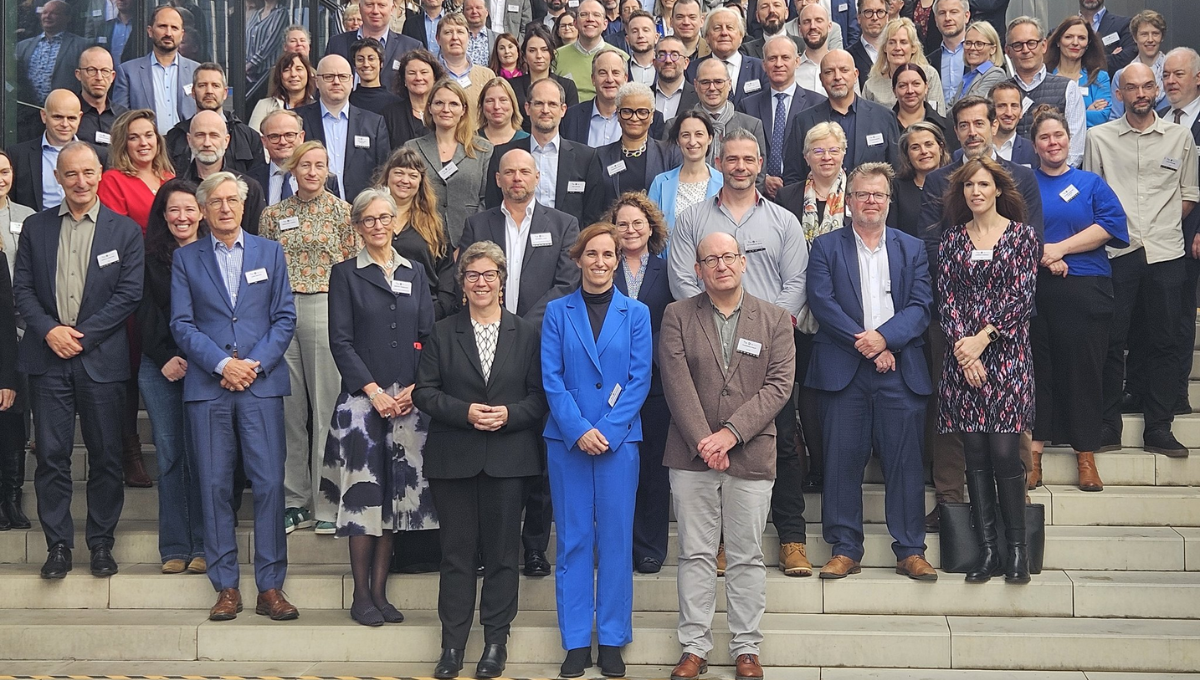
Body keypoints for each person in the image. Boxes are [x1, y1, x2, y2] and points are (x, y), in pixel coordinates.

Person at [668, 129, 811, 578]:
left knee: (781, 444)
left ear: (761, 163)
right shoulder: (692, 219)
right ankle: (723, 544)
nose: (741, 167)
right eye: (732, 159)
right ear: (718, 161)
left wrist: (770, 328)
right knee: (713, 442)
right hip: (707, 347)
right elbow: (683, 279)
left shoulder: (784, 221)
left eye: (749, 159)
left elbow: (796, 283)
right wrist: (710, 321)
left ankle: (791, 539)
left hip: (768, 349)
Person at [659, 231, 795, 680]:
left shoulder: (775, 319)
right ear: (697, 270)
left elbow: (778, 386)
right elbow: (675, 382)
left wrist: (731, 434)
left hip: (752, 454)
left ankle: (746, 648)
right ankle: (694, 646)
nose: (720, 265)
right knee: (696, 553)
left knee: (746, 555)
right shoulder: (677, 315)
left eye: (728, 256)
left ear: (743, 262)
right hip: (691, 454)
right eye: (710, 259)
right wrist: (705, 439)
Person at [414, 241, 548, 680]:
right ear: (463, 283)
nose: (482, 283)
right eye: (473, 276)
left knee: (504, 554)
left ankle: (495, 643)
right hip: (454, 457)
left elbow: (539, 398)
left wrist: (508, 415)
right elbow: (424, 392)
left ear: (502, 282)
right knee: (456, 556)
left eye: (490, 275)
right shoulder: (442, 330)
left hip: (509, 460)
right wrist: (465, 412)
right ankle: (451, 647)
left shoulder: (526, 333)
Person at [170, 171, 299, 621]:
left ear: (244, 206)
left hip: (261, 386)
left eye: (232, 200)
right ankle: (226, 586)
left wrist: (253, 365)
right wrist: (224, 365)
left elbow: (284, 318)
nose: (225, 208)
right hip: (209, 388)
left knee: (266, 485)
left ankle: (270, 587)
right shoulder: (186, 259)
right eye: (216, 202)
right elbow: (181, 324)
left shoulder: (271, 252)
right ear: (203, 210)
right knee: (214, 486)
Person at [13, 142, 144, 579]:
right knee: (51, 456)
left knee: (106, 456)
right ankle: (58, 547)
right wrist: (50, 330)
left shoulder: (123, 231)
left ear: (100, 174)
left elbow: (129, 294)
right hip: (47, 358)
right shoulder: (36, 227)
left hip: (100, 360)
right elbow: (23, 290)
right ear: (58, 178)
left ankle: (102, 544)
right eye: (71, 174)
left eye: (88, 173)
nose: (81, 182)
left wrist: (81, 338)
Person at [805, 161, 935, 581]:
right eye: (862, 194)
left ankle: (910, 550)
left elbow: (920, 306)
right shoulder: (825, 247)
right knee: (841, 460)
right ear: (849, 201)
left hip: (899, 368)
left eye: (879, 194)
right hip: (844, 369)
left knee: (904, 462)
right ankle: (845, 549)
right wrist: (868, 342)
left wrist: (885, 339)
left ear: (888, 201)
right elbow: (823, 303)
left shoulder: (911, 248)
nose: (871, 201)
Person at [917, 95, 1042, 527]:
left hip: (1007, 328)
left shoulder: (1022, 176)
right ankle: (951, 500)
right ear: (956, 131)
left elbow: (1031, 242)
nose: (972, 131)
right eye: (964, 125)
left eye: (979, 123)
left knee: (1011, 427)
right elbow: (933, 245)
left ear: (994, 125)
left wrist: (987, 331)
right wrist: (963, 339)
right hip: (954, 318)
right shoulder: (939, 180)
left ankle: (1016, 505)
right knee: (952, 417)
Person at [459, 148, 581, 578]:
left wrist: (519, 328)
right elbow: (469, 278)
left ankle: (533, 547)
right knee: (490, 448)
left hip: (540, 345)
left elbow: (566, 284)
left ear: (537, 176)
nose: (516, 178)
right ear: (497, 179)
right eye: (508, 172)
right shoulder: (478, 224)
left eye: (524, 171)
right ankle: (488, 546)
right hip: (483, 347)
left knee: (539, 451)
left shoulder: (562, 224)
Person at [541, 222, 652, 678]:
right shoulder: (556, 312)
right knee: (571, 542)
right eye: (592, 254)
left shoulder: (638, 312)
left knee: (615, 541)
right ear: (579, 258)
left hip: (618, 442)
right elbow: (551, 377)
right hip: (567, 442)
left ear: (619, 259)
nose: (601, 262)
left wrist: (605, 429)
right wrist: (578, 429)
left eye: (609, 255)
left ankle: (610, 639)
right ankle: (574, 642)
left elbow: (640, 376)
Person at [323, 187, 434, 624]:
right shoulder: (345, 274)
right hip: (362, 406)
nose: (377, 226)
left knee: (394, 501)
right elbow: (341, 341)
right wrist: (374, 391)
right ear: (357, 226)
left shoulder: (416, 271)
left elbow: (427, 334)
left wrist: (413, 388)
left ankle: (382, 593)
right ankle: (360, 595)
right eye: (368, 219)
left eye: (384, 218)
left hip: (407, 404)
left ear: (395, 222)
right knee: (362, 500)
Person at [1084, 62, 1199, 457]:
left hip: (1166, 252)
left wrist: (1159, 226)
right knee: (1112, 341)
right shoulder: (1098, 138)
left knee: (1164, 340)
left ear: (1157, 90)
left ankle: (1159, 427)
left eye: (1148, 85)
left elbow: (1188, 194)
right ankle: (1107, 425)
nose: (1141, 93)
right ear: (1119, 94)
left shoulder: (1179, 137)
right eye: (1131, 87)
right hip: (1117, 252)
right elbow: (1092, 198)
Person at [936, 156, 1037, 584]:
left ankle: (1017, 551)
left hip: (1008, 355)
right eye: (968, 186)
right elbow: (948, 301)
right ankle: (988, 551)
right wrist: (967, 351)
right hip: (964, 361)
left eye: (983, 184)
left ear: (998, 189)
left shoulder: (1022, 237)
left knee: (1002, 453)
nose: (975, 192)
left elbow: (1021, 299)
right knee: (974, 456)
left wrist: (983, 340)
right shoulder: (951, 241)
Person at [257, 141, 357, 535]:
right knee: (289, 411)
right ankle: (294, 500)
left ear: (328, 170)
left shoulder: (343, 213)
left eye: (320, 165)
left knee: (326, 407)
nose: (312, 172)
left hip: (325, 307)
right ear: (292, 169)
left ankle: (327, 501)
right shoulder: (272, 215)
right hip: (281, 312)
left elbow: (351, 268)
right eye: (305, 165)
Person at [1027, 106, 1127, 492]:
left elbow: (1113, 227)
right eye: (1044, 138)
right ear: (1034, 146)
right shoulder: (1024, 182)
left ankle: (1086, 456)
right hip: (1036, 288)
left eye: (1058, 136)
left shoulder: (1091, 184)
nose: (1053, 143)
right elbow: (1010, 230)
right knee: (1039, 369)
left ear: (1070, 140)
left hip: (1086, 286)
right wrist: (1045, 258)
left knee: (1084, 370)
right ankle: (1034, 455)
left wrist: (1060, 250)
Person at [138, 178, 209, 573]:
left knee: (204, 456)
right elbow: (143, 311)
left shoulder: (215, 253)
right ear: (163, 216)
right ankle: (175, 548)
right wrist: (166, 356)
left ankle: (203, 545)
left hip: (205, 366)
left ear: (201, 211)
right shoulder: (149, 256)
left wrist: (202, 357)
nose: (182, 217)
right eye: (173, 210)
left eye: (188, 209)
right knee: (169, 457)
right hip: (160, 366)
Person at [606, 193, 674, 573]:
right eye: (622, 224)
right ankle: (618, 546)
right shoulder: (603, 267)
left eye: (637, 223)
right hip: (610, 384)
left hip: (657, 381)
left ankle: (649, 548)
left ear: (651, 227)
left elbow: (677, 321)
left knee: (652, 468)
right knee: (616, 468)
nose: (630, 230)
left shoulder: (668, 270)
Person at [485, 78, 604, 228]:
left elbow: (593, 216)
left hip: (570, 247)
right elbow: (493, 208)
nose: (545, 110)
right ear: (527, 108)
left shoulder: (586, 158)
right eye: (539, 103)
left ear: (563, 110)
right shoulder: (503, 154)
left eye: (552, 104)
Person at [783, 50, 901, 185]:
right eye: (829, 72)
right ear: (821, 79)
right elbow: (793, 177)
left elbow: (895, 173)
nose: (837, 77)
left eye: (844, 70)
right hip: (818, 203)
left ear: (856, 75)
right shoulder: (803, 121)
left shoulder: (883, 117)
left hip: (870, 203)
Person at [406, 79, 494, 248]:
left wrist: (469, 240)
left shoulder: (483, 149)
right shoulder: (412, 148)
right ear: (430, 108)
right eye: (439, 103)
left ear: (463, 110)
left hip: (469, 241)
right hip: (422, 239)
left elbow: (486, 200)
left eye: (453, 104)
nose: (446, 110)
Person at [737, 35, 827, 200]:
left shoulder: (818, 105)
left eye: (785, 57)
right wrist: (763, 178)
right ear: (764, 65)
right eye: (772, 58)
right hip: (758, 195)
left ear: (797, 62)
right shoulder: (747, 106)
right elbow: (742, 150)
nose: (779, 64)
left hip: (804, 195)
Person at [295, 54, 392, 204]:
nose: (336, 82)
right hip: (310, 210)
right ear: (317, 82)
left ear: (352, 81)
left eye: (342, 76)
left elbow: (383, 171)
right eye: (329, 77)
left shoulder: (374, 123)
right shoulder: (298, 120)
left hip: (361, 213)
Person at [376, 147, 456, 319]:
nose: (405, 180)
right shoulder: (370, 217)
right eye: (399, 173)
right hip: (376, 312)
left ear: (420, 182)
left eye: (413, 175)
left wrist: (439, 309)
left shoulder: (434, 224)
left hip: (424, 313)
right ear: (387, 176)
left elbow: (447, 270)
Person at [1163, 47, 1200, 420]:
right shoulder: (1158, 117)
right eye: (1167, 76)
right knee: (1158, 314)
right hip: (1160, 234)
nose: (1171, 82)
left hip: (1193, 233)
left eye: (1179, 75)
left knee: (1181, 315)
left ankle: (1176, 393)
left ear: (1197, 78)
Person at [0, 151, 35, 532]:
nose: (0, 178)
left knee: (13, 419)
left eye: (6, 171)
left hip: (21, 330)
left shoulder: (27, 217)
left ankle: (12, 497)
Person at [1005, 16, 1086, 167]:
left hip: (1055, 181)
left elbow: (1075, 147)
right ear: (1008, 51)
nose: (1025, 50)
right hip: (1010, 182)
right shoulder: (999, 93)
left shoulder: (1068, 88)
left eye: (1031, 43)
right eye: (1017, 45)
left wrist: (1056, 176)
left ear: (1043, 45)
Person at [164, 62, 266, 177]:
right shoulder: (175, 136)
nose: (209, 91)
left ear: (225, 93)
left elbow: (257, 183)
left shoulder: (249, 137)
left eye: (215, 85)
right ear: (193, 92)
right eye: (202, 85)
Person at [175, 111, 269, 235]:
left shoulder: (249, 188)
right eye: (200, 135)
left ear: (226, 141)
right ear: (189, 140)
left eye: (214, 135)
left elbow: (258, 241)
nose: (207, 143)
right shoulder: (175, 189)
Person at [112, 6, 200, 135]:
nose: (168, 33)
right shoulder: (128, 72)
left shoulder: (197, 71)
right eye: (162, 26)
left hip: (187, 148)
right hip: (146, 149)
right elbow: (120, 119)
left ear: (181, 35)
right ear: (150, 31)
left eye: (174, 28)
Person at [598, 83, 681, 208]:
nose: (634, 118)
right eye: (627, 111)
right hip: (611, 226)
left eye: (642, 112)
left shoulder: (670, 154)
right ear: (618, 114)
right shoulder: (600, 156)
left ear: (652, 116)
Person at [7, 89, 84, 213]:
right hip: (34, 229)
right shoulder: (17, 156)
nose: (65, 124)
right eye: (58, 117)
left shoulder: (98, 155)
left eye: (71, 118)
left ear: (80, 118)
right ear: (44, 116)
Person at [99, 109, 177, 230]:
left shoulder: (169, 178)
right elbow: (116, 230)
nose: (143, 143)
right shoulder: (113, 180)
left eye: (149, 135)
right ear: (123, 144)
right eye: (134, 138)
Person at [648, 110, 723, 233]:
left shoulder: (724, 183)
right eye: (685, 135)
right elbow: (651, 230)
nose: (692, 142)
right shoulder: (660, 183)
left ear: (710, 138)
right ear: (678, 140)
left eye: (699, 134)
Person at [325, 0, 423, 91]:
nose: (375, 11)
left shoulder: (411, 47)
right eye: (369, 5)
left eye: (381, 5)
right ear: (360, 7)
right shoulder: (336, 44)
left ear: (392, 9)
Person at [14, 0, 87, 110]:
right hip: (29, 111)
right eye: (44, 12)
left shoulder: (81, 46)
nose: (47, 16)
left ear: (68, 18)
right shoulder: (22, 46)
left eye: (54, 13)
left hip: (63, 111)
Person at [686, 7, 767, 106]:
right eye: (717, 28)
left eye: (730, 27)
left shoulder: (760, 68)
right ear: (706, 37)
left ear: (741, 36)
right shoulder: (691, 70)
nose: (724, 33)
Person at [863, 18, 945, 114]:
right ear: (885, 48)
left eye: (903, 42)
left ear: (913, 48)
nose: (897, 48)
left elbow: (938, 117)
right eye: (892, 42)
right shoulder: (872, 85)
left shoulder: (929, 75)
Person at [1045, 16, 1114, 128]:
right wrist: (1086, 111)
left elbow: (1102, 117)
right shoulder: (1045, 76)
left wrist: (1059, 115)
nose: (1075, 43)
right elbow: (1041, 118)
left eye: (1081, 38)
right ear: (1058, 41)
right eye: (1068, 37)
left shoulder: (1100, 77)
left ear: (1088, 43)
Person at [554, 0, 627, 102]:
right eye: (584, 15)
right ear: (575, 23)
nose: (590, 19)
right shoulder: (557, 56)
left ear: (605, 24)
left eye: (596, 15)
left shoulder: (621, 57)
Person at [890, 120, 951, 237]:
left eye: (929, 144)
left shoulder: (957, 183)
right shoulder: (896, 188)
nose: (924, 151)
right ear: (907, 155)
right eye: (915, 147)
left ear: (941, 148)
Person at [1107, 9, 1169, 121]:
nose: (1150, 40)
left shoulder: (1172, 72)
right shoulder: (1121, 75)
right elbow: (1115, 118)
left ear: (1162, 37)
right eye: (1144, 34)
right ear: (1135, 38)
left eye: (1155, 33)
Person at [561, 50, 633, 147]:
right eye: (603, 73)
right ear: (593, 79)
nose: (610, 79)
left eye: (615, 73)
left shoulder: (639, 117)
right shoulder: (570, 118)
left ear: (625, 78)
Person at [509, 26, 581, 121]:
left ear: (552, 54)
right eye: (532, 50)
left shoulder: (567, 86)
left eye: (544, 50)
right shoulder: (512, 86)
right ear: (525, 56)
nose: (539, 56)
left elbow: (572, 121)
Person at [437, 13, 498, 119]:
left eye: (460, 32)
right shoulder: (429, 76)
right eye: (448, 32)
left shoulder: (487, 75)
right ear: (438, 39)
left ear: (468, 37)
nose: (455, 37)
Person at [382, 50, 445, 148]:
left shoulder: (446, 110)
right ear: (404, 80)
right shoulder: (389, 114)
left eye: (424, 72)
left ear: (435, 78)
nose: (418, 78)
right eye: (412, 73)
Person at [248, 52, 319, 133]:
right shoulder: (264, 106)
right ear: (279, 76)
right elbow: (254, 141)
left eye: (299, 69)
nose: (293, 74)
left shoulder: (317, 107)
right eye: (286, 70)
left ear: (308, 73)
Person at [75, 47, 128, 153]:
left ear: (113, 77)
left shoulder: (124, 117)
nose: (99, 77)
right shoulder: (69, 115)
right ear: (78, 74)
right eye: (91, 70)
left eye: (105, 71)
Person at [891, 62, 955, 145]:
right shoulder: (884, 127)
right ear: (894, 91)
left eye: (916, 84)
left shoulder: (948, 128)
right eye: (903, 85)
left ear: (926, 88)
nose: (910, 90)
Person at [985, 82, 1038, 166]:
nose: (1009, 113)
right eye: (1002, 106)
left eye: (1014, 106)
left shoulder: (1033, 151)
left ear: (1021, 111)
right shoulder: (974, 149)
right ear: (990, 110)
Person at [1078, 0, 1135, 76]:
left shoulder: (1125, 24)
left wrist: (1078, 61)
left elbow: (1126, 59)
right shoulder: (1065, 30)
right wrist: (1109, 58)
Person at [349, 38, 405, 115]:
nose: (366, 64)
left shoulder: (396, 104)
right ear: (354, 66)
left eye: (371, 59)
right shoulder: (348, 101)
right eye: (360, 59)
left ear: (381, 63)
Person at [955, 20, 1007, 101]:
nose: (972, 48)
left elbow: (971, 105)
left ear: (992, 49)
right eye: (968, 43)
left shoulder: (996, 74)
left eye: (979, 44)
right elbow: (951, 106)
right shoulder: (967, 76)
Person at [652, 36, 699, 121]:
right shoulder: (644, 96)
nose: (668, 60)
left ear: (686, 63)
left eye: (675, 55)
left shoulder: (699, 97)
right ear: (654, 63)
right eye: (662, 55)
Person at [245, 0, 289, 90]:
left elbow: (272, 41)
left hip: (267, 74)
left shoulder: (281, 13)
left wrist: (252, 63)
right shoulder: (255, 14)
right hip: (248, 74)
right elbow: (246, 40)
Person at [478, 78, 529, 146]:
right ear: (482, 105)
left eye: (503, 100)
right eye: (490, 101)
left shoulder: (527, 142)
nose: (496, 106)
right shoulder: (470, 141)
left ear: (513, 104)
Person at [849, 0, 888, 88]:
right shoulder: (849, 56)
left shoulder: (898, 52)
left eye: (880, 12)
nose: (875, 17)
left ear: (887, 17)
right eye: (868, 12)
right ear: (859, 18)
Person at [624, 11, 658, 86]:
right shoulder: (621, 69)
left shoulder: (667, 66)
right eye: (635, 31)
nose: (640, 35)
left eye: (646, 30)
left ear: (656, 37)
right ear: (627, 39)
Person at [463, 0, 498, 68]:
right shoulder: (456, 38)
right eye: (469, 8)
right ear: (463, 13)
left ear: (487, 12)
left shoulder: (496, 38)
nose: (474, 11)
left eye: (478, 7)